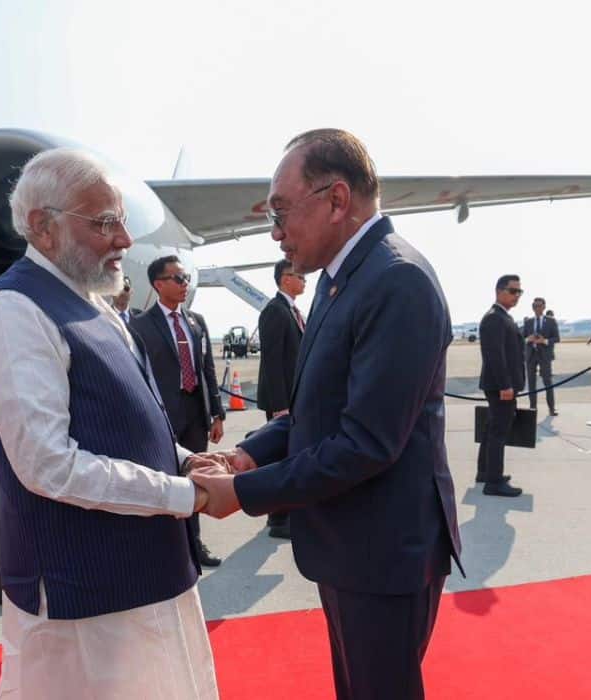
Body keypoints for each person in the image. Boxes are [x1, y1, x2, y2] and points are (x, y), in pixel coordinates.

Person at [190, 129, 462, 699]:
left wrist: (244, 493)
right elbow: (314, 408)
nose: (275, 231)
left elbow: (365, 442)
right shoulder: (342, 281)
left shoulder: (396, 280)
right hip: (350, 544)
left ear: (337, 200)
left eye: (283, 211)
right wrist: (248, 453)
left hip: (383, 551)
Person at [0, 148, 219, 698]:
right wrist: (185, 495)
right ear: (42, 226)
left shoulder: (95, 305)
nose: (124, 240)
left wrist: (185, 460)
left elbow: (132, 415)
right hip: (84, 593)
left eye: (120, 221)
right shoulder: (15, 313)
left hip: (149, 573)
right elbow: (48, 465)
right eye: (104, 223)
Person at [129, 255, 226, 567]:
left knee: (196, 479)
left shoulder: (196, 322)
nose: (186, 284)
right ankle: (170, 547)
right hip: (164, 418)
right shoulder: (141, 326)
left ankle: (195, 544)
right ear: (159, 284)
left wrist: (217, 412)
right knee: (166, 482)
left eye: (186, 278)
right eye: (178, 279)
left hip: (196, 414)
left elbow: (207, 368)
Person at [254, 258, 307, 539]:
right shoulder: (275, 311)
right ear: (285, 279)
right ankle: (278, 518)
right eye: (299, 276)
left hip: (294, 399)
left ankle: (283, 512)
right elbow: (272, 362)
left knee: (290, 455)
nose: (304, 281)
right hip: (282, 401)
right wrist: (279, 406)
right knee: (279, 458)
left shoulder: (292, 310)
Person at [478, 276, 526, 496]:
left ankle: (485, 473)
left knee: (491, 430)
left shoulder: (502, 317)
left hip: (501, 386)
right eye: (513, 291)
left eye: (519, 292)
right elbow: (495, 356)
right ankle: (494, 482)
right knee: (498, 433)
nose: (517, 296)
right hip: (500, 387)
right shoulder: (494, 319)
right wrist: (506, 385)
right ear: (499, 291)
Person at [522, 296, 559, 416]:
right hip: (531, 356)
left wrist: (545, 341)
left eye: (539, 306)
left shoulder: (551, 321)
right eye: (535, 306)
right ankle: (533, 408)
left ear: (544, 307)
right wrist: (529, 339)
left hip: (544, 356)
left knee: (548, 381)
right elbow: (521, 338)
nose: (537, 308)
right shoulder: (528, 322)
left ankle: (551, 408)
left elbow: (557, 338)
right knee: (531, 383)